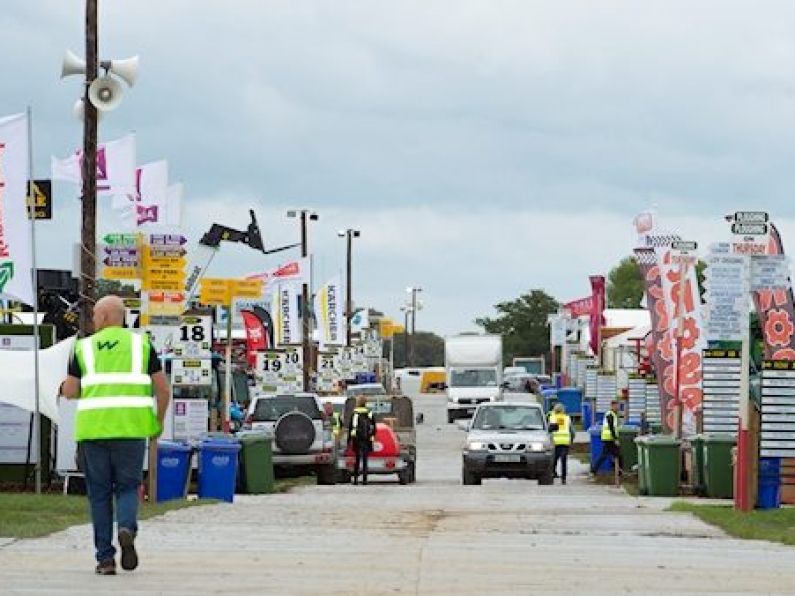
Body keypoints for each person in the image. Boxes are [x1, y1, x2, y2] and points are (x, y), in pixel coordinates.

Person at [60, 296, 171, 576]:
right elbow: (163, 390)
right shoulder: (142, 345)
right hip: (131, 430)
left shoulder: (83, 348)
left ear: (107, 316)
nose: (94, 320)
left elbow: (71, 391)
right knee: (127, 487)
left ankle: (105, 559)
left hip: (94, 431)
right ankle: (126, 528)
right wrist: (156, 424)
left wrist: (62, 386)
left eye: (96, 315)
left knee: (98, 495)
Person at [348, 396, 375, 485]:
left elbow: (351, 427)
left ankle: (355, 479)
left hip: (357, 438)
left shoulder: (354, 413)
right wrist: (372, 436)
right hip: (367, 439)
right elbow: (374, 426)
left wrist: (349, 440)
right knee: (365, 459)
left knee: (357, 459)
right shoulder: (369, 413)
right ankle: (365, 479)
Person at [591, 400, 622, 476]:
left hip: (609, 437)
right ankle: (594, 470)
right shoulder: (610, 414)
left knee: (614, 454)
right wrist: (615, 439)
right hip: (609, 438)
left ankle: (618, 470)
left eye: (618, 406)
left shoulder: (613, 414)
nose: (618, 407)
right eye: (616, 406)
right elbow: (611, 427)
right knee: (610, 454)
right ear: (612, 406)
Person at [547, 403, 575, 484]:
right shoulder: (567, 418)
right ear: (563, 410)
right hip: (565, 442)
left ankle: (552, 473)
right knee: (564, 461)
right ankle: (563, 478)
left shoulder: (552, 418)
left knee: (554, 459)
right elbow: (572, 432)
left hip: (554, 442)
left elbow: (549, 431)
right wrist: (571, 440)